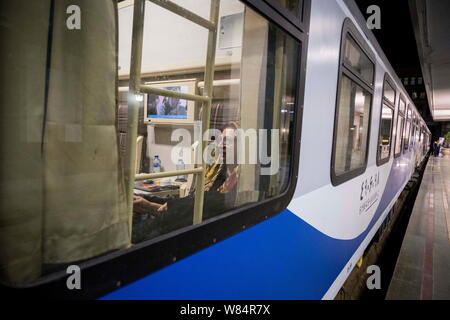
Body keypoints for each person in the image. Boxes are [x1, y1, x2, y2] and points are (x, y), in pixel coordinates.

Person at [132, 122, 240, 242]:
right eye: (220, 140)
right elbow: (190, 201)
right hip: (180, 218)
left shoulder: (238, 183)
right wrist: (148, 202)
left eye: (229, 141)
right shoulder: (217, 171)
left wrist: (153, 206)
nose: (221, 145)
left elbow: (200, 204)